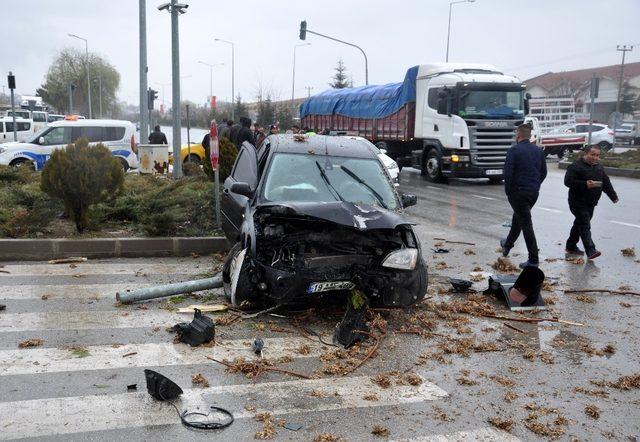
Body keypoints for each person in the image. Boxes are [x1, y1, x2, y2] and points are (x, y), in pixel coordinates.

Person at [500, 123, 547, 268]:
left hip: (518, 192)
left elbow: (508, 174)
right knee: (519, 218)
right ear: (529, 135)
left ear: (518, 135)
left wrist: (509, 192)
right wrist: (535, 185)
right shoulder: (538, 151)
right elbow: (543, 172)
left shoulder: (514, 150)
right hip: (533, 192)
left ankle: (533, 259)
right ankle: (507, 244)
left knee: (526, 223)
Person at [563, 145, 618, 260]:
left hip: (591, 202)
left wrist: (613, 196)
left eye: (597, 155)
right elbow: (568, 181)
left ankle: (571, 246)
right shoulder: (576, 166)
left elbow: (606, 182)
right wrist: (585, 184)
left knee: (579, 224)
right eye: (592, 154)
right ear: (586, 154)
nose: (595, 158)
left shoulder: (599, 167)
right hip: (577, 201)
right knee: (584, 224)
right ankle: (591, 250)